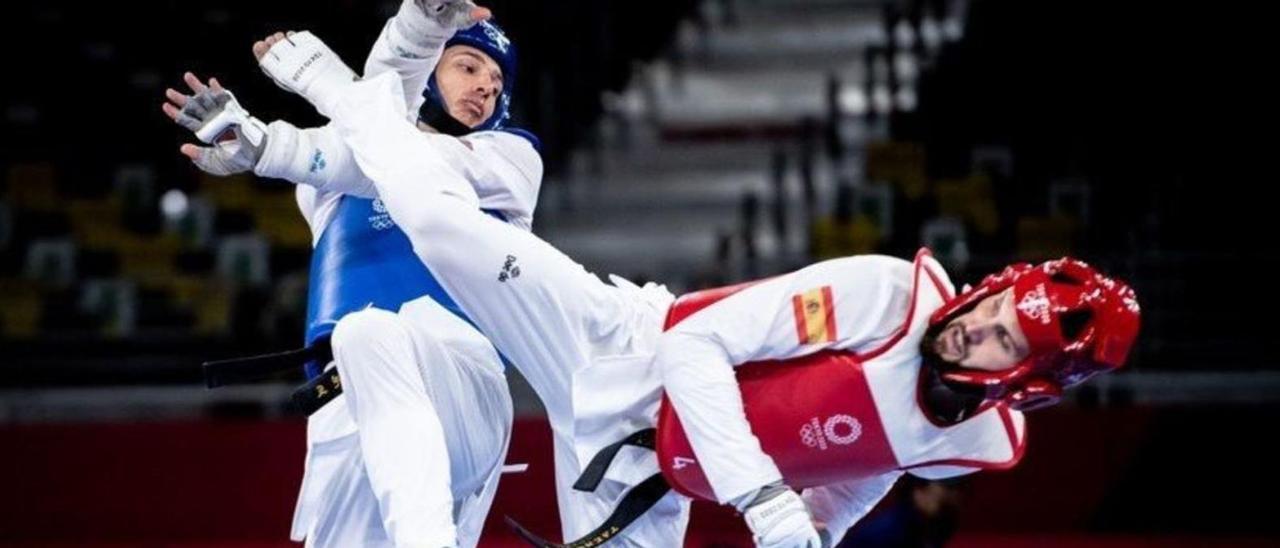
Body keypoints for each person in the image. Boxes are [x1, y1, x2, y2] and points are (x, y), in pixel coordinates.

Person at [250, 28, 1141, 547]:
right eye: (990, 307)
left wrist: (814, 534)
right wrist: (760, 497)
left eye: (998, 341)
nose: (972, 329)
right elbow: (692, 342)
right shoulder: (887, 295)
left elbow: (869, 462)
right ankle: (341, 87)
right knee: (444, 227)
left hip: (646, 475)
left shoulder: (975, 445)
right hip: (613, 341)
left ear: (1021, 382)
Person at [162, 2, 541, 546]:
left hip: (461, 378)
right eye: (468, 66)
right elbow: (370, 133)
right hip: (345, 403)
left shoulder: (510, 161)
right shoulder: (327, 181)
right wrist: (266, 145)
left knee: (369, 330)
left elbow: (401, 157)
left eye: (497, 79)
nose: (486, 86)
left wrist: (419, 22)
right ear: (428, 74)